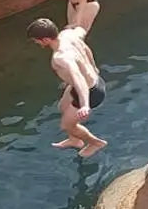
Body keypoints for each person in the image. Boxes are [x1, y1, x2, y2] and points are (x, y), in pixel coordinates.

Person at [27, 18, 107, 158]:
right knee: (62, 107)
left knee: (66, 125)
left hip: (91, 92)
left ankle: (96, 143)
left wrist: (84, 105)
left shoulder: (61, 57)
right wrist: (93, 67)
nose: (36, 43)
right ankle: (75, 140)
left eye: (36, 41)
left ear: (45, 40)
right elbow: (84, 45)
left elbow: (78, 78)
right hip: (90, 82)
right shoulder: (68, 34)